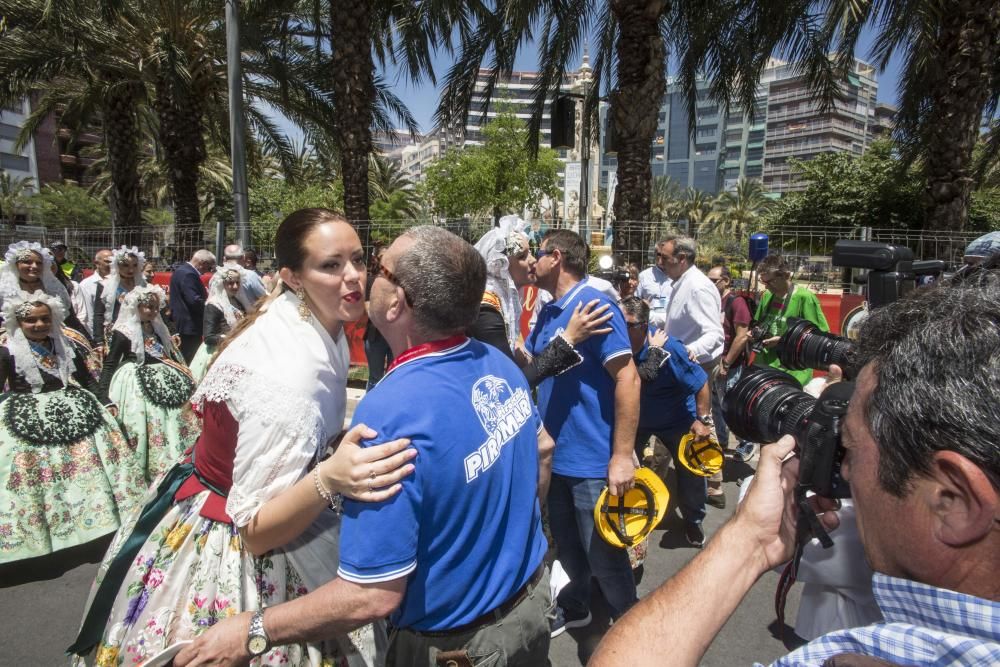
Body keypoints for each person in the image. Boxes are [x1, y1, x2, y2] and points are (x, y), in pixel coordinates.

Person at [175, 225, 550, 667]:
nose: (357, 277)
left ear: (396, 301)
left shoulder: (392, 411)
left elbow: (370, 596)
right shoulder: (499, 366)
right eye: (336, 264)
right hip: (531, 607)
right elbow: (543, 450)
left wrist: (253, 631)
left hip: (459, 645)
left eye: (374, 266)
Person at [70, 209, 415, 666]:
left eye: (357, 259)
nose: (353, 277)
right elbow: (253, 531)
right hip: (235, 535)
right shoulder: (288, 373)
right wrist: (329, 479)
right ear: (293, 277)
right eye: (330, 265)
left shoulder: (306, 318)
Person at [590, 282, 1000, 666]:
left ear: (954, 501)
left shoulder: (868, 656)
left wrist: (747, 540)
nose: (839, 468)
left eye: (851, 450)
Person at [527, 229, 641, 637]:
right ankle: (576, 606)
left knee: (607, 558)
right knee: (568, 549)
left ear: (555, 257)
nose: (531, 263)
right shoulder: (550, 310)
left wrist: (622, 455)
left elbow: (628, 377)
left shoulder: (595, 306)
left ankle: (632, 627)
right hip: (553, 457)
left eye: (537, 255)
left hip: (593, 460)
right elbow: (534, 364)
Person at [0, 291, 142, 564]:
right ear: (18, 322)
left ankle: (94, 523)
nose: (39, 325)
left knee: (88, 471)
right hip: (25, 413)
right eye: (31, 320)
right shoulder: (8, 350)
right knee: (34, 474)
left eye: (44, 319)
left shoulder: (64, 345)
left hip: (75, 407)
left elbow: (86, 378)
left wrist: (104, 401)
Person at [621, 296, 713, 548]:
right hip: (636, 419)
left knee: (690, 469)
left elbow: (701, 382)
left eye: (625, 323)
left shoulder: (670, 348)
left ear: (642, 326)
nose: (617, 327)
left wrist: (701, 419)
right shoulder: (614, 345)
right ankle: (629, 514)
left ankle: (694, 519)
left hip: (676, 418)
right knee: (625, 467)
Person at [98, 285, 200, 479]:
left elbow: (168, 354)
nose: (153, 311)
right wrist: (103, 396)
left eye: (155, 307)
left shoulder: (158, 328)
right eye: (148, 307)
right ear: (136, 306)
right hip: (136, 381)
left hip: (166, 377)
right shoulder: (124, 332)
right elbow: (110, 363)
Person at [661, 236, 725, 506]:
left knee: (696, 422)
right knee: (696, 422)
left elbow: (714, 334)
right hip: (685, 366)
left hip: (693, 368)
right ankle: (711, 482)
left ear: (682, 258)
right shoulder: (682, 283)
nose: (659, 262)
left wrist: (688, 353)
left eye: (664, 257)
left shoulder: (697, 287)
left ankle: (710, 483)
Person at [754, 253, 829, 387]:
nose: (766, 287)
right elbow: (759, 323)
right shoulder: (767, 296)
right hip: (765, 369)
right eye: (763, 282)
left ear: (786, 275)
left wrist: (782, 341)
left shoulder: (804, 298)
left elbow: (818, 336)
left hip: (792, 373)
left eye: (770, 282)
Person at [707, 264, 757, 463]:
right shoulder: (713, 301)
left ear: (726, 281)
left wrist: (726, 363)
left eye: (713, 281)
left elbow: (741, 336)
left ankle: (746, 442)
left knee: (731, 404)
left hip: (730, 364)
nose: (709, 284)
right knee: (716, 404)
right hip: (715, 361)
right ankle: (721, 441)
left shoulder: (736, 303)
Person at [0, 241, 91, 340]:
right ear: (16, 264)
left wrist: (91, 343)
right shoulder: (4, 289)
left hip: (52, 341)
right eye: (27, 262)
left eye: (39, 263)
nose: (34, 266)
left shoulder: (54, 288)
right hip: (13, 342)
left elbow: (71, 319)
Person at [188, 265, 247, 383]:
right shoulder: (214, 304)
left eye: (237, 282)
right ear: (222, 284)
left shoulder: (237, 302)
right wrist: (230, 339)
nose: (235, 286)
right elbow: (208, 337)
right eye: (230, 283)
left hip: (236, 351)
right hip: (216, 353)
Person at [93, 245, 148, 347]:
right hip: (116, 335)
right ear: (117, 265)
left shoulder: (143, 284)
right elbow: (99, 314)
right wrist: (99, 341)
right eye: (126, 265)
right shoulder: (105, 285)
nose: (131, 270)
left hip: (141, 333)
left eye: (135, 265)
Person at [169, 249, 215, 363]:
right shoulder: (189, 274)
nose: (207, 271)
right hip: (189, 326)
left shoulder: (181, 271)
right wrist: (211, 309)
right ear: (202, 263)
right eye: (208, 267)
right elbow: (194, 300)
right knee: (189, 359)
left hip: (183, 324)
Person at [363, 243, 393, 388]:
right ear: (377, 259)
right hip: (375, 337)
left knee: (394, 376)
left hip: (395, 337)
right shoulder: (370, 281)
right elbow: (369, 310)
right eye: (383, 257)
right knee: (375, 378)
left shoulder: (399, 282)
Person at [637, 239, 673, 328]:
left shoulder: (677, 276)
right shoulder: (644, 276)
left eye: (665, 256)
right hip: (649, 325)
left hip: (671, 325)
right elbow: (636, 300)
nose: (661, 259)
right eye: (659, 254)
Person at [76, 248, 112, 338]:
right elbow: (88, 315)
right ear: (96, 263)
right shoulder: (86, 285)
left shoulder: (118, 282)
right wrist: (96, 338)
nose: (111, 264)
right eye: (108, 261)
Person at [223, 243, 266, 307]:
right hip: (249, 315)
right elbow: (264, 298)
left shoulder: (216, 276)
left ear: (224, 259)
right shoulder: (251, 276)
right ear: (244, 258)